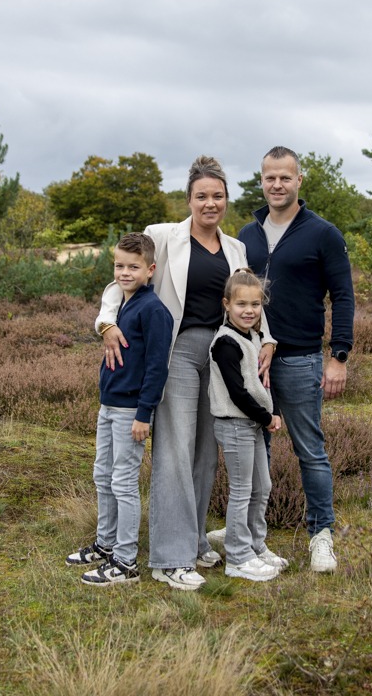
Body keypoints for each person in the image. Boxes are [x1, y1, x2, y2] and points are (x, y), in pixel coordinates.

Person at [97, 156, 272, 591]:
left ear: (226, 200)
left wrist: (266, 338)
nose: (209, 204)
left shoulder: (236, 249)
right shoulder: (163, 236)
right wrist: (106, 323)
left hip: (218, 355)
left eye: (218, 196)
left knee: (204, 454)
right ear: (189, 199)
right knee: (174, 449)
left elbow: (244, 299)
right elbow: (122, 277)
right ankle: (169, 558)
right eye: (201, 196)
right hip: (175, 351)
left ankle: (194, 542)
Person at [237, 145, 354, 574]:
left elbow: (343, 296)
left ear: (299, 180)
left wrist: (338, 355)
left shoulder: (323, 233)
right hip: (254, 361)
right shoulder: (245, 237)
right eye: (270, 177)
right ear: (262, 179)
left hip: (302, 359)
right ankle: (250, 534)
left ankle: (321, 537)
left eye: (285, 177)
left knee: (311, 452)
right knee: (255, 449)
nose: (277, 185)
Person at [67, 233, 172, 586]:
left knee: (124, 482)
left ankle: (126, 562)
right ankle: (106, 543)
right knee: (103, 476)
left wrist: (145, 413)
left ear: (150, 269)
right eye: (119, 266)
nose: (125, 272)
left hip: (131, 411)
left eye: (133, 266)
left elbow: (158, 367)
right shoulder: (120, 305)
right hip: (108, 405)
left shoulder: (154, 310)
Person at [208, 268, 288, 582]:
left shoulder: (253, 336)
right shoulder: (226, 343)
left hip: (252, 424)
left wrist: (274, 411)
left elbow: (260, 382)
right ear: (227, 304)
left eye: (255, 305)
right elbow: (237, 392)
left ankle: (256, 545)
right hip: (236, 424)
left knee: (262, 487)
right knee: (241, 492)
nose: (249, 310)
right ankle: (238, 557)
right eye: (241, 304)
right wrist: (266, 417)